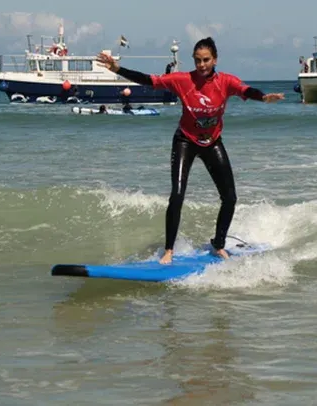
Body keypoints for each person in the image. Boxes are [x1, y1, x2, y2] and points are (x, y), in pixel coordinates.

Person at [97, 37, 285, 264]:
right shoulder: (182, 80)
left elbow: (246, 89)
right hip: (185, 141)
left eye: (206, 60)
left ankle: (218, 244)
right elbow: (150, 80)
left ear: (214, 59)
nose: (202, 64)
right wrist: (117, 69)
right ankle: (169, 250)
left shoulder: (225, 82)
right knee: (177, 196)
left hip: (212, 141)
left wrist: (264, 97)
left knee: (230, 198)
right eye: (197, 60)